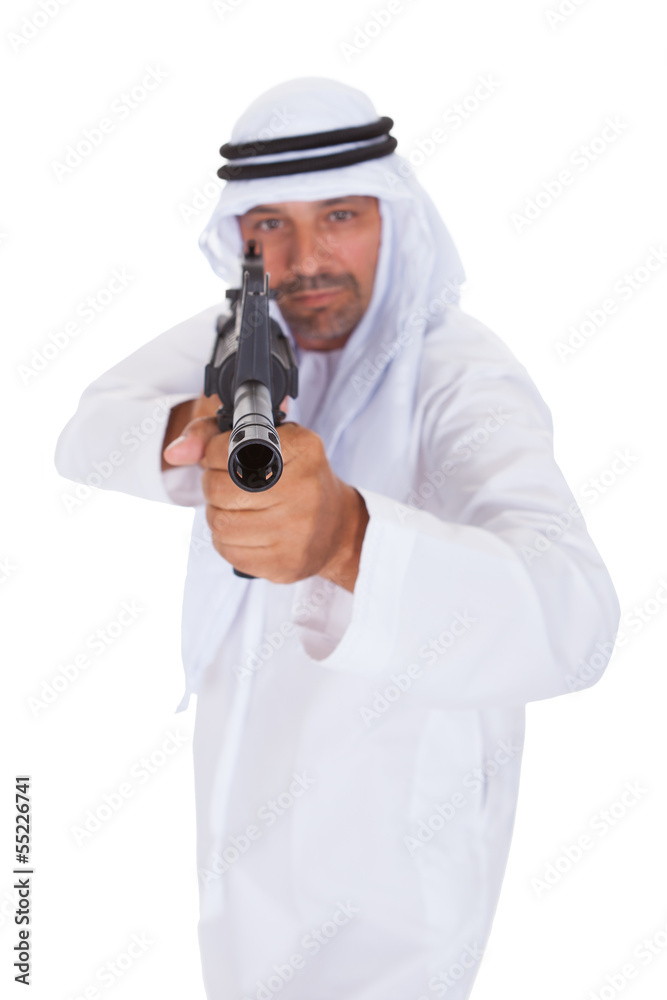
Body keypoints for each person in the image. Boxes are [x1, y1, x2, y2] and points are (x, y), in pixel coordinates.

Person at [54, 77, 621, 999]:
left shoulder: (461, 378)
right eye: (268, 224)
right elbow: (83, 434)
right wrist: (190, 430)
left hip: (397, 840)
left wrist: (348, 539)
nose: (304, 257)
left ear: (396, 219)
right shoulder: (240, 330)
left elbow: (575, 618)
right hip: (242, 806)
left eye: (341, 216)